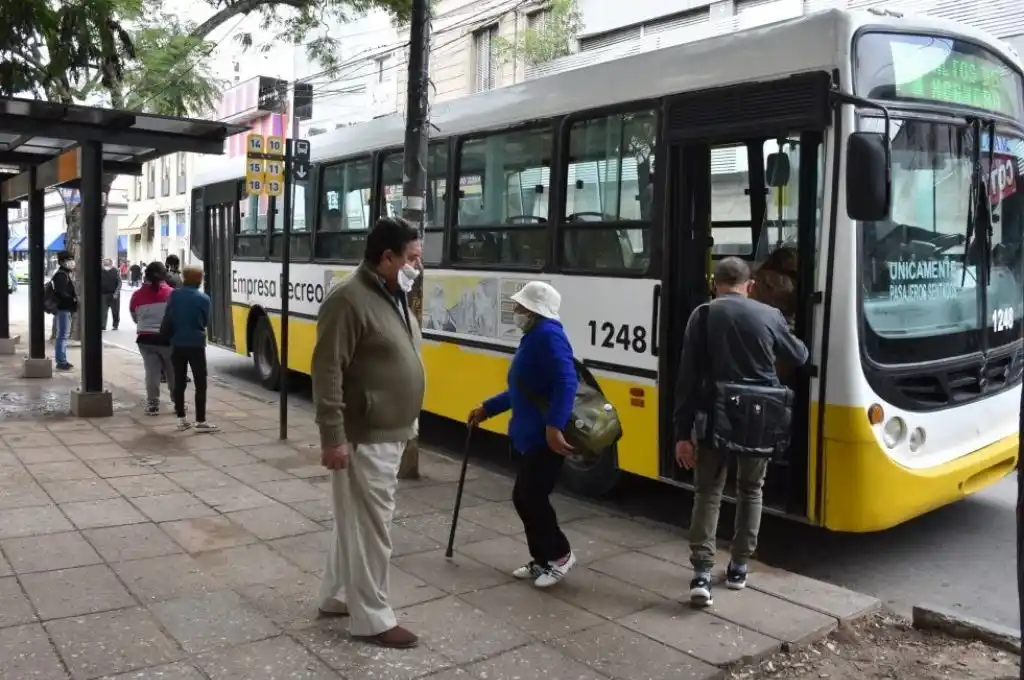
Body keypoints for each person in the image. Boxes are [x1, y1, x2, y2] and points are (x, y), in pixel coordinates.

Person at [311, 216, 425, 650]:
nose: (418, 267)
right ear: (387, 258)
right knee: (374, 527)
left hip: (389, 429)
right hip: (366, 434)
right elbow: (327, 371)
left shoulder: (391, 294)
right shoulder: (348, 299)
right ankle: (373, 618)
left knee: (354, 519)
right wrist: (333, 437)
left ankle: (338, 595)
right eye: (412, 258)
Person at [674, 257, 809, 608]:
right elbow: (799, 355)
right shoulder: (770, 315)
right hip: (758, 418)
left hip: (713, 417)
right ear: (750, 285)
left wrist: (682, 433)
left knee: (708, 492)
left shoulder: (702, 315)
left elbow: (687, 379)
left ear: (714, 284)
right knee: (751, 489)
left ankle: (702, 573)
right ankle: (739, 568)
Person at [468, 281, 578, 588]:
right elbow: (522, 388)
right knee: (526, 497)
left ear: (534, 310)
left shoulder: (549, 335)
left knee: (531, 496)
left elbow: (567, 380)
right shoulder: (534, 336)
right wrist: (488, 408)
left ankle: (560, 556)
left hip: (543, 436)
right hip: (529, 434)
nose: (516, 311)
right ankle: (542, 560)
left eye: (521, 307)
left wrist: (554, 426)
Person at [163, 265, 217, 432]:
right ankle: (200, 421)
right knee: (200, 382)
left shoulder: (174, 295)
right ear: (199, 279)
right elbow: (205, 322)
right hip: (196, 344)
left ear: (185, 278)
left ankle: (181, 419)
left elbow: (168, 316)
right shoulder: (204, 298)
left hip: (177, 343)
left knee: (179, 381)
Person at [129, 262, 174, 416]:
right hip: (168, 339)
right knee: (173, 372)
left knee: (152, 373)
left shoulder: (137, 295)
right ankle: (178, 402)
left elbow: (135, 318)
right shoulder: (172, 294)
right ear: (164, 275)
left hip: (145, 339)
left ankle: (152, 404)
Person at [50, 250, 78, 371]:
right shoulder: (61, 275)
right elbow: (61, 293)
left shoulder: (64, 274)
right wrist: (73, 299)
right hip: (63, 308)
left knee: (63, 335)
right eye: (69, 260)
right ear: (62, 262)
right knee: (62, 335)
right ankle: (61, 361)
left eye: (72, 259)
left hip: (65, 308)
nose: (72, 262)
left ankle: (62, 359)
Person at [100, 258, 121, 331]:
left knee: (115, 311)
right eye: (104, 263)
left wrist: (116, 293)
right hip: (103, 294)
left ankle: (115, 325)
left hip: (114, 294)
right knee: (103, 311)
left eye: (107, 263)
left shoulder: (115, 271)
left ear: (111, 264)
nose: (106, 265)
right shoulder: (101, 271)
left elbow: (119, 283)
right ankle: (103, 326)